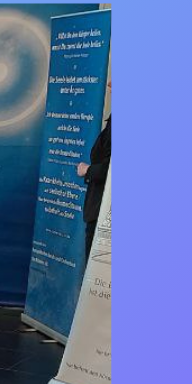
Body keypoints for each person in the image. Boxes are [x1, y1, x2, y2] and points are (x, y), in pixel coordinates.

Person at [77, 83, 110, 260]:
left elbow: (111, 168)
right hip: (101, 208)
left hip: (104, 210)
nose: (110, 85)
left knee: (96, 266)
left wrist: (88, 170)